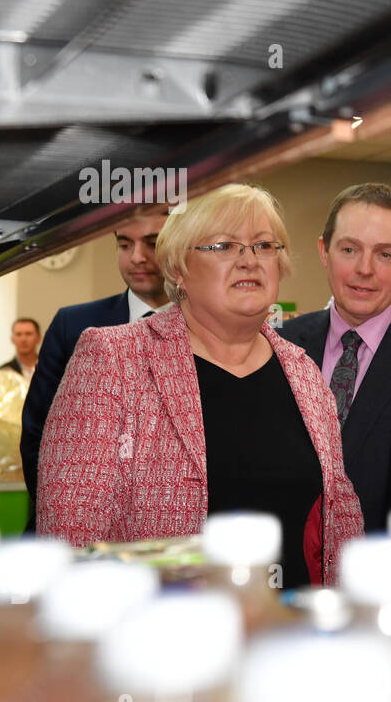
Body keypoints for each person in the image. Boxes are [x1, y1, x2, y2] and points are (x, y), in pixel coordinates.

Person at [37, 184, 363, 588]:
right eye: (225, 246)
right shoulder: (114, 359)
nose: (249, 261)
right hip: (163, 635)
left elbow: (341, 518)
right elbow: (69, 540)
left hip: (289, 631)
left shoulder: (303, 373)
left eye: (264, 246)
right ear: (177, 269)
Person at [280, 184, 391, 532]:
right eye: (349, 249)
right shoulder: (282, 347)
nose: (364, 269)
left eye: (385, 255)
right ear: (324, 251)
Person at [20, 213, 170, 530]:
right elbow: (37, 433)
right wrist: (63, 517)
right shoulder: (73, 326)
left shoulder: (204, 329)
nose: (137, 258)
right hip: (83, 531)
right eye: (124, 244)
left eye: (152, 244)